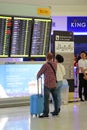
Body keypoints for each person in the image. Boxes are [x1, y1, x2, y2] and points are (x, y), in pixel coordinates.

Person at [37, 52, 58, 118]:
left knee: (46, 99)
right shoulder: (55, 64)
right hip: (54, 84)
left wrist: (37, 76)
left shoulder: (45, 65)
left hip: (47, 84)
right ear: (52, 58)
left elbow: (40, 73)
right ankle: (56, 111)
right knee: (55, 99)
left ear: (47, 57)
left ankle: (45, 113)